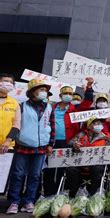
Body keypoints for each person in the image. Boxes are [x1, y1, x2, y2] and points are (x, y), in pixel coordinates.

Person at [6, 79, 55, 214]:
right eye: (41, 89)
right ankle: (14, 202)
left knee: (35, 175)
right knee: (18, 175)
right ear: (33, 92)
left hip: (41, 147)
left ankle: (29, 201)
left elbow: (52, 126)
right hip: (23, 146)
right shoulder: (21, 106)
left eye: (45, 90)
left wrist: (51, 144)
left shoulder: (49, 107)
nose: (44, 92)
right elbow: (16, 125)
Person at [43, 80, 95, 196]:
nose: (68, 95)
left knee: (65, 169)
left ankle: (62, 194)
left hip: (68, 142)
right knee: (49, 169)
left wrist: (89, 88)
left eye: (70, 94)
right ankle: (48, 194)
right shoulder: (51, 107)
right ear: (60, 96)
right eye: (65, 93)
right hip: (51, 141)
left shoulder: (75, 109)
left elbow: (87, 102)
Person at [66, 116, 110, 198]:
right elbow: (70, 143)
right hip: (80, 163)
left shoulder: (106, 138)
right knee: (70, 169)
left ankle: (92, 195)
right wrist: (74, 145)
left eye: (100, 123)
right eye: (96, 123)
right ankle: (74, 194)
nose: (99, 125)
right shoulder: (81, 135)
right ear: (89, 125)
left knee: (98, 169)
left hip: (96, 163)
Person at [0, 73, 21, 154]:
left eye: (11, 82)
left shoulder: (15, 103)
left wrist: (8, 141)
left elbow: (16, 125)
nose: (8, 84)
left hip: (7, 145)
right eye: (5, 81)